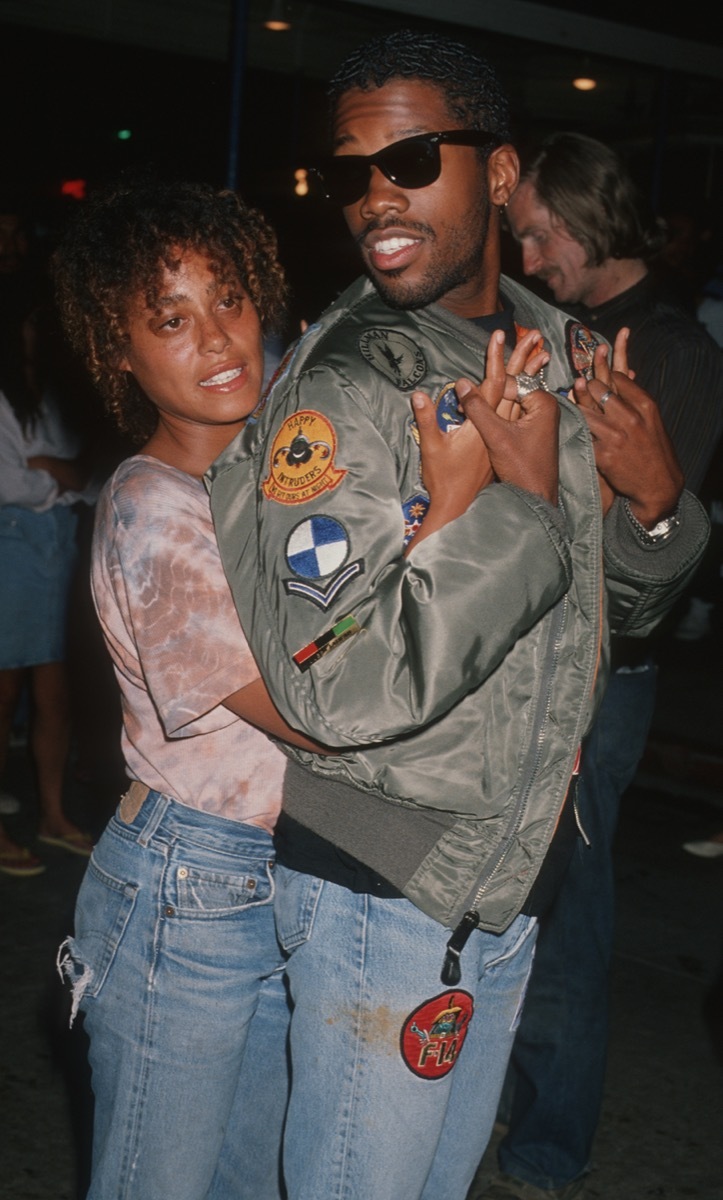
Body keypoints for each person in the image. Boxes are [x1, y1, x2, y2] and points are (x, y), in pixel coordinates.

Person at [208, 30, 709, 1200]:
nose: (376, 198)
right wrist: (527, 506)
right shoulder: (348, 388)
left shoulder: (561, 350)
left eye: (412, 160)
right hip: (384, 888)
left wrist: (653, 506)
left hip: (508, 877)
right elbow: (331, 684)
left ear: (498, 172)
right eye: (352, 172)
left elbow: (606, 615)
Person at [51, 178, 341, 1200]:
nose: (217, 338)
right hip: (188, 884)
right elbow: (305, 708)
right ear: (120, 353)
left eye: (231, 300)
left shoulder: (267, 484)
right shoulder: (152, 504)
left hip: (280, 870)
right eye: (170, 319)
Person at [474, 130, 723, 1197]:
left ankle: (547, 1143)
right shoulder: (559, 325)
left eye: (539, 233)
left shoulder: (671, 349)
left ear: (589, 215)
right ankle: (492, 1104)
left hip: (605, 674)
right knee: (502, 896)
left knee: (567, 907)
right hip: (526, 651)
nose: (527, 258)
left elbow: (648, 528)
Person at [0, 205, 98, 875]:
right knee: (4, 694)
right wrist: (56, 478)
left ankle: (54, 814)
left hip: (58, 550)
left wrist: (57, 476)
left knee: (55, 695)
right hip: (13, 549)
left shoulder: (56, 395)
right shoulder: (4, 395)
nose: (45, 332)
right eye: (36, 322)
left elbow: (84, 474)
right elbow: (13, 483)